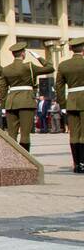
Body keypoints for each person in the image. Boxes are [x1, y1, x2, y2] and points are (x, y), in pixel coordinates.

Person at [0, 43, 54, 151]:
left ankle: (12, 158)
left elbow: (3, 88)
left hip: (11, 102)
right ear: (23, 54)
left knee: (11, 134)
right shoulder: (29, 66)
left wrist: (4, 105)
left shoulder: (6, 69)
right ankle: (26, 158)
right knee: (25, 134)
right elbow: (50, 68)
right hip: (26, 101)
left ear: (13, 54)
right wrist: (38, 57)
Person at [56, 37, 84, 172]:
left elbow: (59, 87)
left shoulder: (63, 65)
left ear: (71, 49)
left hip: (71, 101)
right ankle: (83, 163)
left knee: (74, 134)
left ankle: (76, 164)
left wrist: (62, 105)